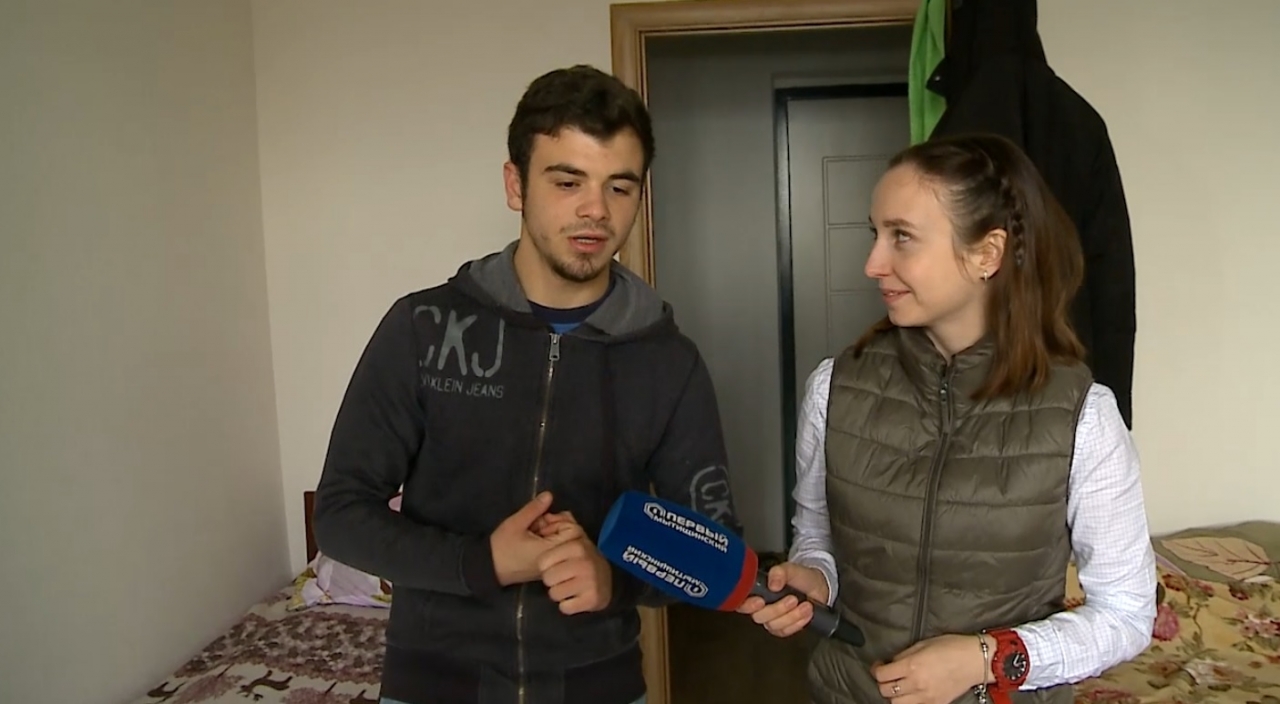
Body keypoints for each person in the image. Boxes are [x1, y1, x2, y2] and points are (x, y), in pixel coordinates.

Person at [312, 64, 742, 704]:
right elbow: (341, 515)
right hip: (433, 682)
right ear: (516, 184)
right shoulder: (423, 328)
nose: (596, 210)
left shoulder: (668, 361)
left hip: (597, 685)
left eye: (619, 187)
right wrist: (482, 561)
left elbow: (712, 552)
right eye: (568, 182)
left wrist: (614, 580)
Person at [738, 133, 1156, 704]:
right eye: (874, 234)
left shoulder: (1084, 417)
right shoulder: (833, 389)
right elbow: (817, 538)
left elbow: (1127, 613)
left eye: (902, 237)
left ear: (987, 254)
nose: (872, 264)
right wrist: (814, 578)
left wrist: (984, 659)